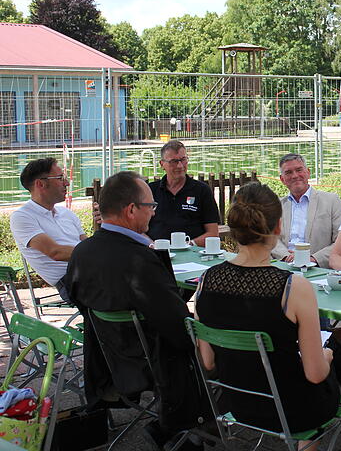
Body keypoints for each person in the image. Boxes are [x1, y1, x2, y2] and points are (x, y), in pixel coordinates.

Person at [195, 182, 341, 446]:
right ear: (278, 228)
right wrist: (326, 355)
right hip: (295, 410)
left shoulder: (206, 280)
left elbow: (207, 362)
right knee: (327, 355)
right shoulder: (293, 287)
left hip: (237, 404)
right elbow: (315, 374)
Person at [64, 171, 205, 449]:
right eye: (151, 207)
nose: (154, 214)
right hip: (152, 360)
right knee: (208, 347)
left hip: (107, 356)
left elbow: (80, 303)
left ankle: (174, 427)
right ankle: (185, 428)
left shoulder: (82, 252)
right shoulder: (141, 260)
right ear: (131, 210)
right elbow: (179, 328)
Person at [10, 158, 86, 302]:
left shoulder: (67, 214)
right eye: (60, 178)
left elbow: (87, 243)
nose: (67, 183)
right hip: (72, 282)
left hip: (93, 270)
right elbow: (55, 252)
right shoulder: (23, 217)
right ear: (40, 184)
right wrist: (101, 253)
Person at [271, 153, 341, 268]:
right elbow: (270, 237)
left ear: (308, 172)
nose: (295, 176)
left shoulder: (331, 201)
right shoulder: (276, 206)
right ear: (282, 179)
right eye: (288, 172)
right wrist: (286, 257)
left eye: (299, 170)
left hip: (318, 267)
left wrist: (313, 259)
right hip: (284, 265)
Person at [147, 140, 220, 246]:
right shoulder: (150, 191)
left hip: (193, 254)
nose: (180, 166)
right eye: (174, 161)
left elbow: (213, 233)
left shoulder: (201, 190)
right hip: (156, 253)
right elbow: (137, 230)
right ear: (162, 164)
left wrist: (188, 245)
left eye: (183, 160)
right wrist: (151, 244)